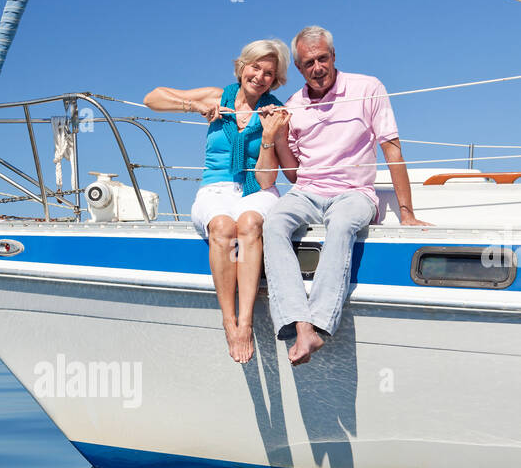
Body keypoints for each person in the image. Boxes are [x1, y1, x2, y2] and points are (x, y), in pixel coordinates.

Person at [263, 26, 428, 366]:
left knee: (340, 226)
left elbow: (391, 150)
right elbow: (293, 174)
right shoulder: (293, 105)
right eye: (309, 63)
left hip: (354, 193)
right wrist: (277, 137)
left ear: (334, 57)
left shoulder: (368, 88)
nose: (317, 67)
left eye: (323, 58)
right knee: (274, 223)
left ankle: (320, 325)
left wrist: (407, 212)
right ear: (298, 68)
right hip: (307, 191)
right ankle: (300, 323)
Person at [144, 40, 291, 363]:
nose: (260, 76)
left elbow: (268, 180)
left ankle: (246, 322)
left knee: (249, 224)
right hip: (215, 188)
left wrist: (268, 136)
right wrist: (193, 107)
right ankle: (229, 322)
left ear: (276, 79)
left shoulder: (277, 112)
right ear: (242, 67)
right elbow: (152, 98)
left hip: (257, 190)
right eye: (255, 67)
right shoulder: (216, 97)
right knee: (223, 227)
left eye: (269, 73)